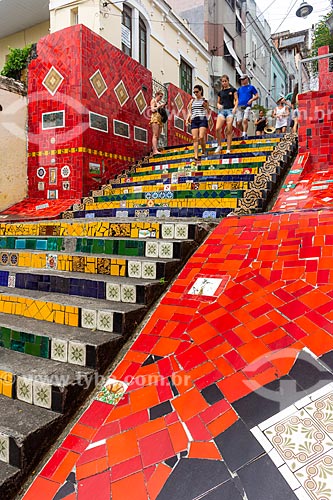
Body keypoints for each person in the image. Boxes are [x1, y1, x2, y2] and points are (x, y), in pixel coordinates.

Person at [215, 74, 238, 154]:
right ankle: (219, 145)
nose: (224, 83)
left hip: (230, 111)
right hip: (222, 111)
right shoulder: (220, 92)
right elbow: (217, 102)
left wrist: (235, 108)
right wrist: (218, 105)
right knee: (217, 128)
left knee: (229, 129)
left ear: (228, 81)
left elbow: (236, 100)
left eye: (225, 81)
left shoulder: (233, 90)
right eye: (223, 81)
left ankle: (228, 148)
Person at [185, 84, 209, 162]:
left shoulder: (204, 100)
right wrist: (187, 118)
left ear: (201, 91)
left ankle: (203, 150)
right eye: (194, 92)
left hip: (202, 119)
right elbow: (190, 110)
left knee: (201, 137)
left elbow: (208, 111)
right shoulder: (192, 101)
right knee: (195, 138)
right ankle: (196, 156)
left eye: (197, 92)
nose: (195, 93)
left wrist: (206, 106)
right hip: (194, 119)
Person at [236, 74, 258, 138]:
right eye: (241, 80)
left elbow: (257, 96)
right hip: (240, 106)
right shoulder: (239, 89)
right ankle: (242, 132)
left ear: (247, 79)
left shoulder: (251, 87)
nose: (242, 81)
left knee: (245, 120)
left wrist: (251, 100)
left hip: (247, 105)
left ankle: (244, 133)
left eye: (243, 79)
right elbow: (236, 98)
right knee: (238, 122)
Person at [149, 90, 166, 156]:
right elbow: (152, 110)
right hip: (155, 118)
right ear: (157, 95)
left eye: (161, 97)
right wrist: (159, 106)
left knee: (158, 136)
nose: (161, 98)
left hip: (160, 119)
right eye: (160, 96)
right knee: (155, 135)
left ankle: (155, 148)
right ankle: (155, 150)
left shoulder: (158, 103)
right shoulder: (153, 100)